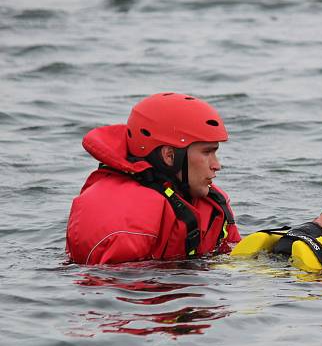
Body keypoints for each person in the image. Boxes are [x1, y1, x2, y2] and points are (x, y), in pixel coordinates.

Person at [66, 92, 240, 264]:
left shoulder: (213, 203)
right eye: (207, 152)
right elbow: (117, 286)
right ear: (169, 156)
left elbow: (231, 257)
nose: (217, 165)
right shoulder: (124, 220)